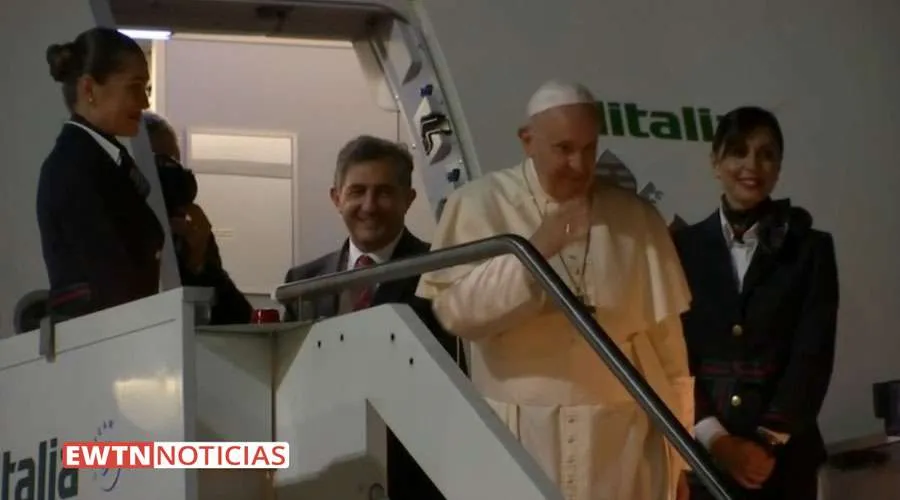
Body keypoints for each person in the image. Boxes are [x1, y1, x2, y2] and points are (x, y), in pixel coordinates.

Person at [416, 80, 693, 500]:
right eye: (564, 149)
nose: (579, 165)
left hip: (618, 445)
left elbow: (669, 349)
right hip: (517, 433)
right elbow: (457, 313)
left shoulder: (635, 217)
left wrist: (681, 456)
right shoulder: (478, 204)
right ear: (527, 140)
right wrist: (537, 249)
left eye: (589, 148)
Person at [281, 135, 464, 500]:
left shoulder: (441, 272)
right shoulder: (303, 283)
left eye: (383, 193)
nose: (369, 206)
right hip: (322, 473)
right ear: (336, 198)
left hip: (412, 479)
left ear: (408, 199)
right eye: (357, 192)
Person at [673, 106, 839, 500]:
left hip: (784, 463)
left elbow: (812, 355)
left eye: (766, 154)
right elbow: (675, 357)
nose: (752, 165)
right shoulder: (680, 248)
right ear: (715, 162)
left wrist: (767, 441)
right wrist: (717, 440)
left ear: (778, 166)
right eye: (738, 151)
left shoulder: (811, 248)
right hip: (705, 461)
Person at [37, 27, 162, 320]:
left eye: (146, 89)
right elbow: (110, 280)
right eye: (134, 88)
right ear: (89, 90)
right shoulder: (75, 166)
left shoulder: (96, 161)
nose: (144, 103)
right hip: (102, 338)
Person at [143, 111, 253, 325]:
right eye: (163, 164)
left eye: (176, 164)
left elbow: (237, 318)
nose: (174, 175)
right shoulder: (123, 225)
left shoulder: (190, 231)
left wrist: (199, 263)